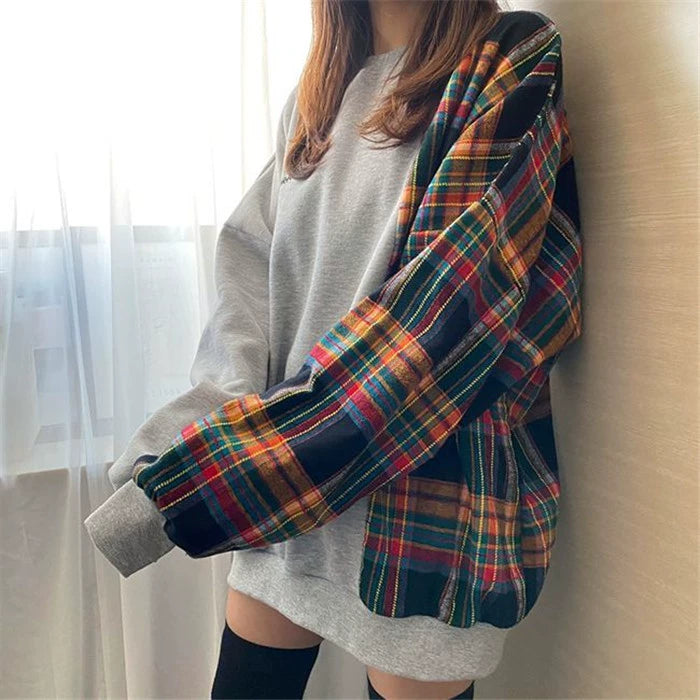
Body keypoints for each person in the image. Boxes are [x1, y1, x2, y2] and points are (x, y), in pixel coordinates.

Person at [83, 0, 582, 697]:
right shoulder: (314, 101)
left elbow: (438, 326)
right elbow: (248, 289)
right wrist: (173, 455)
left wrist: (195, 484)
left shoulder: (510, 58)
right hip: (285, 501)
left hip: (427, 515)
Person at [210, 1, 510, 698]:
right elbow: (247, 275)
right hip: (288, 478)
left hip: (426, 496)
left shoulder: (503, 63)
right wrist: (208, 446)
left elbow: (451, 303)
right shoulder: (313, 102)